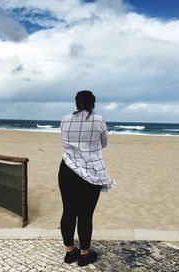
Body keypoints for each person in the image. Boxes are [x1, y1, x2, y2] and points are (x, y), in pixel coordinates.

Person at [58, 90, 114, 267]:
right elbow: (104, 142)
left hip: (67, 169)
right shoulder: (98, 120)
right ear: (93, 103)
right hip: (90, 172)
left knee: (68, 211)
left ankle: (69, 252)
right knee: (85, 214)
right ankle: (84, 254)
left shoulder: (65, 119)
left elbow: (64, 141)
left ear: (76, 103)